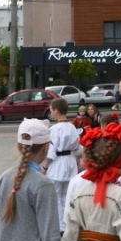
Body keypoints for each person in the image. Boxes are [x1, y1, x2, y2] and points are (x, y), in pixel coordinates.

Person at [45, 98, 83, 232]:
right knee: (67, 195)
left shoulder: (55, 129)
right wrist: (78, 160)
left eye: (51, 111)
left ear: (56, 111)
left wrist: (45, 167)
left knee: (56, 196)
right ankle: (67, 224)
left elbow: (51, 151)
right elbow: (78, 148)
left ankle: (61, 226)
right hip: (70, 162)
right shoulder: (72, 127)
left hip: (57, 164)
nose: (51, 113)